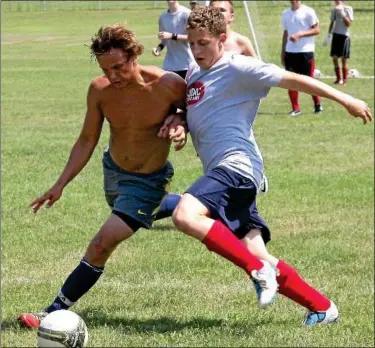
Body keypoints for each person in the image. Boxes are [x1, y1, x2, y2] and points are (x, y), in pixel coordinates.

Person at [19, 24, 278, 329]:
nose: (113, 75)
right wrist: (60, 184)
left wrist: (179, 121)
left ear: (135, 55)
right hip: (114, 174)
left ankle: (51, 311)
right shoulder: (99, 90)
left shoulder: (168, 84)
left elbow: (193, 112)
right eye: (107, 69)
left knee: (103, 243)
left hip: (147, 182)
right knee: (139, 210)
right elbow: (87, 139)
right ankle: (193, 205)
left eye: (119, 66)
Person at [159, 6, 371, 326]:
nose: (196, 50)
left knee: (185, 215)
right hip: (223, 171)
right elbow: (194, 110)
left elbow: (295, 79)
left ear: (221, 39)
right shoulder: (194, 72)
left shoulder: (239, 67)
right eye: (191, 43)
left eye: (203, 43)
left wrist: (347, 100)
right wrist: (179, 122)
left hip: (237, 166)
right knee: (259, 254)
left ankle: (257, 272)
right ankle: (323, 307)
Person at [154, 0, 264, 222]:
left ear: (231, 17)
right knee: (249, 240)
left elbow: (263, 75)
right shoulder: (197, 65)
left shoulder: (238, 55)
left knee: (195, 211)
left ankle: (163, 204)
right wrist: (180, 120)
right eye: (213, 9)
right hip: (214, 150)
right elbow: (194, 104)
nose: (216, 13)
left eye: (221, 10)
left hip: (235, 154)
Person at [281, 0, 322, 117]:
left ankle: (317, 104)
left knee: (309, 81)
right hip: (290, 52)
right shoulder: (285, 13)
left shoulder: (308, 12)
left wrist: (300, 34)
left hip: (305, 52)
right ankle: (295, 108)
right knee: (290, 81)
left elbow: (317, 29)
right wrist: (283, 51)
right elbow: (285, 33)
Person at [152, 1, 194, 79]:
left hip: (187, 64)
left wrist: (171, 36)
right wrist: (158, 49)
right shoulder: (162, 17)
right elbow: (164, 40)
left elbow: (192, 37)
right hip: (169, 65)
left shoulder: (187, 13)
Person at [326, 0, 354, 85]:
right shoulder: (334, 10)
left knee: (343, 58)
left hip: (344, 36)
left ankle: (345, 79)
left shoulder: (348, 9)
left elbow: (348, 23)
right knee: (334, 57)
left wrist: (342, 13)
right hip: (336, 35)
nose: (337, 2)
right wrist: (328, 35)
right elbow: (332, 22)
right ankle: (338, 78)